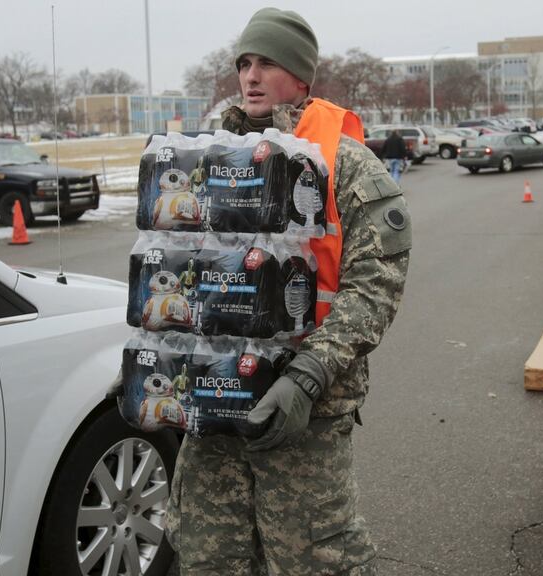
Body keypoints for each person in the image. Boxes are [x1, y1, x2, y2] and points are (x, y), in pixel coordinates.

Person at [166, 8, 411, 575]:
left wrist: (308, 376)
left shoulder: (345, 164)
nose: (250, 76)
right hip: (215, 405)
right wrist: (158, 355)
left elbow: (374, 287)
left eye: (268, 63)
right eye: (244, 63)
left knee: (314, 561)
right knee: (209, 556)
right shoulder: (209, 160)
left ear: (301, 77)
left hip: (304, 413)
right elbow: (184, 269)